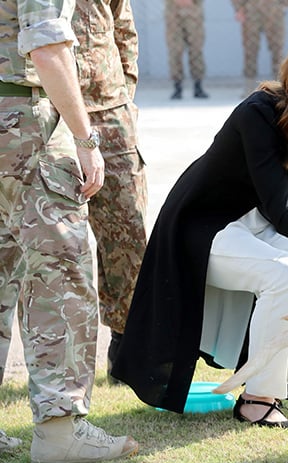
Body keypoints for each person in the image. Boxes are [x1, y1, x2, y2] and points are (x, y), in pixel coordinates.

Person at [111, 20, 288, 428]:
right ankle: (256, 400)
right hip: (202, 224)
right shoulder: (259, 112)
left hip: (255, 222)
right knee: (283, 277)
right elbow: (282, 211)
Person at [0, 0, 138, 463]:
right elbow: (46, 45)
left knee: (4, 272)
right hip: (25, 120)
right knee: (62, 275)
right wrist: (85, 138)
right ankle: (61, 429)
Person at [72, 0, 148, 384]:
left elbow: (124, 31)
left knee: (128, 233)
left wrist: (124, 98)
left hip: (109, 111)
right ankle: (59, 361)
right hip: (41, 106)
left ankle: (127, 346)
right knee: (50, 246)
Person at [232, 0, 288, 96]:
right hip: (251, 10)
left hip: (274, 9)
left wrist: (284, 5)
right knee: (250, 49)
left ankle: (279, 86)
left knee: (277, 50)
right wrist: (238, 8)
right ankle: (249, 86)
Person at [165, 0, 209, 99]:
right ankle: (177, 87)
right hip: (173, 13)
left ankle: (198, 86)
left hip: (194, 12)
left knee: (196, 50)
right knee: (175, 51)